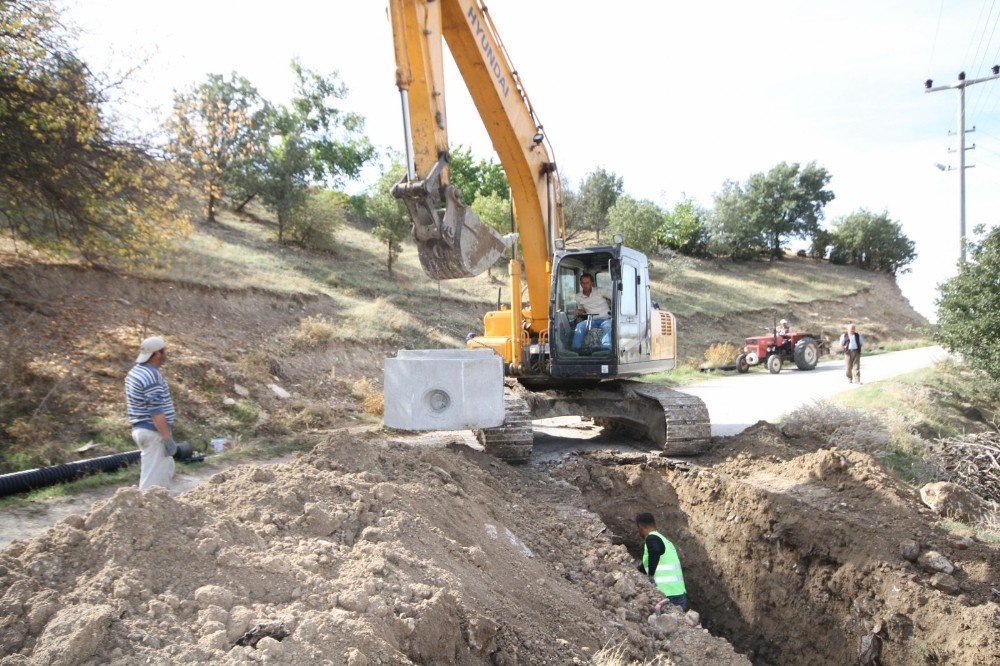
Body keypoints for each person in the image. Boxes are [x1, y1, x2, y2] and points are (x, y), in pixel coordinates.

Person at [125, 336, 177, 490]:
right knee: (152, 484)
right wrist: (167, 438)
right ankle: (144, 512)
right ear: (157, 354)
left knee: (166, 470)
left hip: (141, 428)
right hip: (153, 432)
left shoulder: (135, 372)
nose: (166, 354)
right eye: (164, 351)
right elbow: (156, 411)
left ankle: (162, 509)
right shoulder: (151, 376)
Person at [636, 512, 688, 613]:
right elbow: (649, 561)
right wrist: (639, 570)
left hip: (666, 594)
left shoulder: (652, 538)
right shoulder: (665, 541)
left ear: (640, 527)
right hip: (679, 594)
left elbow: (655, 551)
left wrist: (650, 574)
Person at [570, 273, 612, 350]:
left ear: (591, 283)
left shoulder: (601, 291)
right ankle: (575, 350)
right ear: (580, 283)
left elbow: (616, 297)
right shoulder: (578, 296)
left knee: (608, 327)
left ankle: (606, 349)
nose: (585, 285)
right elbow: (582, 309)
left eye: (587, 283)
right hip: (591, 320)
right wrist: (578, 311)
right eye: (583, 283)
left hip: (606, 319)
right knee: (579, 326)